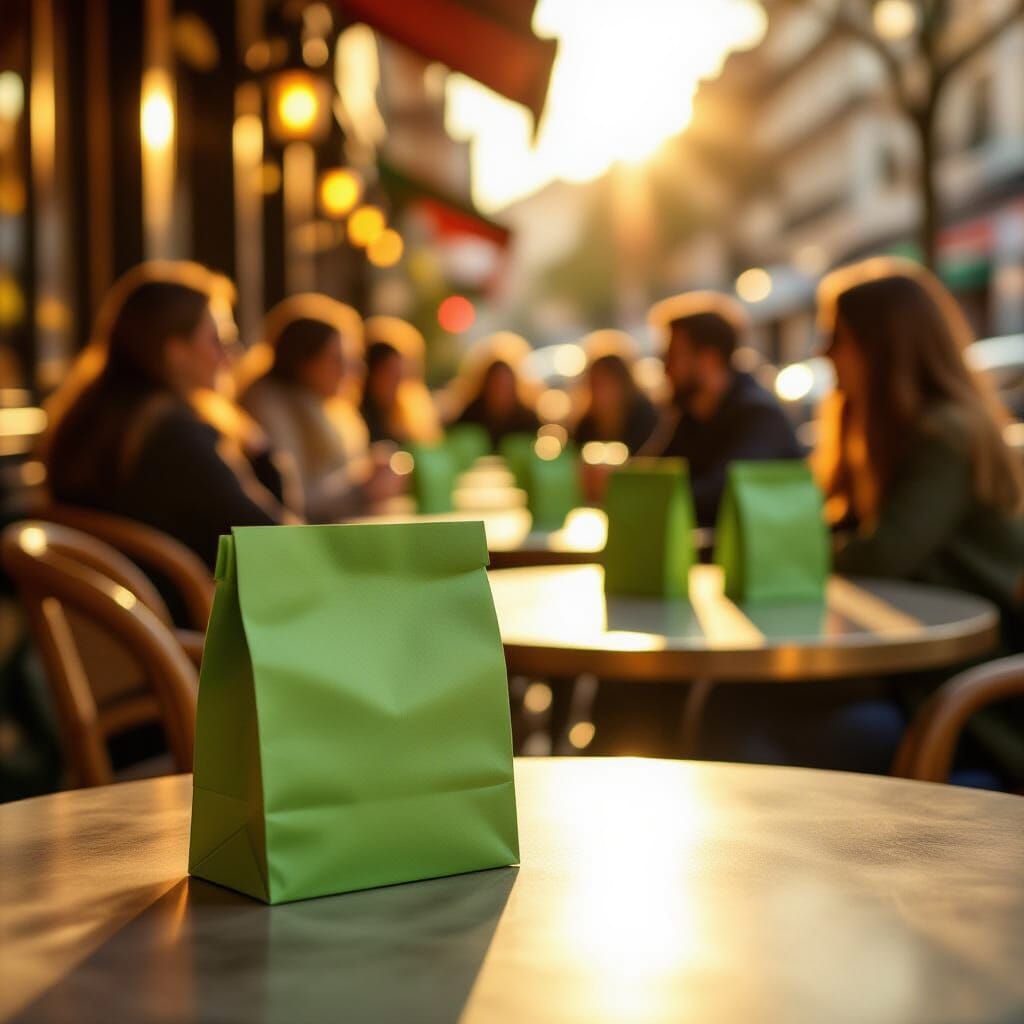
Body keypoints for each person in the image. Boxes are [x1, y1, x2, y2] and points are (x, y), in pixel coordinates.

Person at [816, 257, 1024, 650]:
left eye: (837, 338)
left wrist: (787, 555)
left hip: (977, 657)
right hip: (919, 636)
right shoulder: (890, 429)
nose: (823, 353)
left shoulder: (945, 433)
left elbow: (885, 556)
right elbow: (848, 528)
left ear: (883, 348)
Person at [43, 262, 289, 569]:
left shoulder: (93, 414)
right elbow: (273, 543)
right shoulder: (176, 435)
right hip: (181, 599)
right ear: (176, 351)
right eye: (219, 340)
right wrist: (262, 452)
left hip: (118, 597)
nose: (233, 355)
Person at [643, 291, 803, 526]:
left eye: (673, 356)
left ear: (709, 359)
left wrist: (645, 497)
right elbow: (651, 477)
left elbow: (725, 494)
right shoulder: (690, 419)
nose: (665, 369)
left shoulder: (759, 415)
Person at [239, 296, 404, 522]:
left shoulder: (333, 407)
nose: (352, 370)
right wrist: (362, 486)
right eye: (337, 359)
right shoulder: (268, 406)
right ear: (303, 362)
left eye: (351, 358)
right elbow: (292, 498)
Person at [359, 316, 443, 447]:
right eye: (390, 373)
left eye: (400, 374)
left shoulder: (408, 412)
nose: (398, 382)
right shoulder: (358, 418)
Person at [449, 332, 540, 450]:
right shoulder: (472, 413)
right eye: (495, 383)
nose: (500, 390)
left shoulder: (527, 418)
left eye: (505, 384)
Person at [572, 330, 658, 454]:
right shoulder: (586, 425)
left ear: (623, 383)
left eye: (605, 383)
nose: (600, 391)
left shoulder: (645, 418)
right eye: (595, 384)